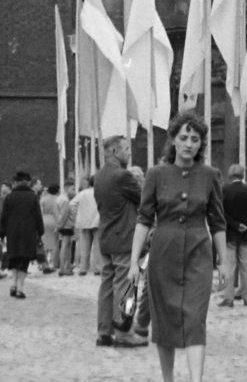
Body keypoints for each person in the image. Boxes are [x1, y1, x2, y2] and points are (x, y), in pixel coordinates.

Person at [129, 109, 227, 382]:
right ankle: (168, 379)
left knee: (196, 318)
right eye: (183, 137)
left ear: (201, 144)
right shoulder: (156, 174)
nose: (189, 144)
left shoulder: (210, 175)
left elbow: (218, 222)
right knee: (166, 320)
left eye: (195, 139)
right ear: (173, 139)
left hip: (199, 252)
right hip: (163, 253)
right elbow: (144, 219)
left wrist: (224, 262)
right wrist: (134, 261)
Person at [93, 135, 148, 349]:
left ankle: (104, 332)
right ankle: (124, 334)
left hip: (106, 237)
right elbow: (145, 199)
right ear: (116, 152)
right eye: (126, 148)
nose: (129, 153)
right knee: (127, 286)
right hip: (125, 238)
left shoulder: (99, 176)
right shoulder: (122, 176)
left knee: (107, 286)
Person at [0, 171, 43, 299]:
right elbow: (38, 216)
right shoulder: (33, 197)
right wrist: (40, 231)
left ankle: (13, 284)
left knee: (14, 257)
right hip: (28, 232)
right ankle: (20, 288)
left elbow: (3, 217)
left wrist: (2, 234)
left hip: (12, 232)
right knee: (24, 258)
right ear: (28, 182)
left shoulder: (9, 197)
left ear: (16, 182)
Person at [220, 163, 247, 306]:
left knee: (229, 266)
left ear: (230, 175)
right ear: (243, 175)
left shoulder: (224, 190)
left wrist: (235, 225)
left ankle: (228, 297)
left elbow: (221, 212)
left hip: (230, 231)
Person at [73, 176, 99, 277]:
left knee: (84, 247)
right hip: (97, 221)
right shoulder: (101, 193)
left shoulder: (82, 193)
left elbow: (72, 204)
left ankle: (83, 267)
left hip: (84, 222)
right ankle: (97, 268)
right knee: (97, 247)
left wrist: (78, 213)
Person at [39, 181, 64, 274]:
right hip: (53, 220)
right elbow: (57, 213)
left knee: (44, 242)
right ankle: (53, 263)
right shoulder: (58, 199)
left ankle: (43, 263)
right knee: (55, 243)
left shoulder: (43, 199)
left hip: (44, 219)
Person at [57, 180, 78, 274]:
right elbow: (64, 215)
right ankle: (63, 267)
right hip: (66, 225)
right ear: (66, 189)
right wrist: (59, 226)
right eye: (72, 189)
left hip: (64, 225)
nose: (74, 191)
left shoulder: (59, 198)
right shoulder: (65, 200)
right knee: (65, 246)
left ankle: (67, 265)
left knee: (67, 245)